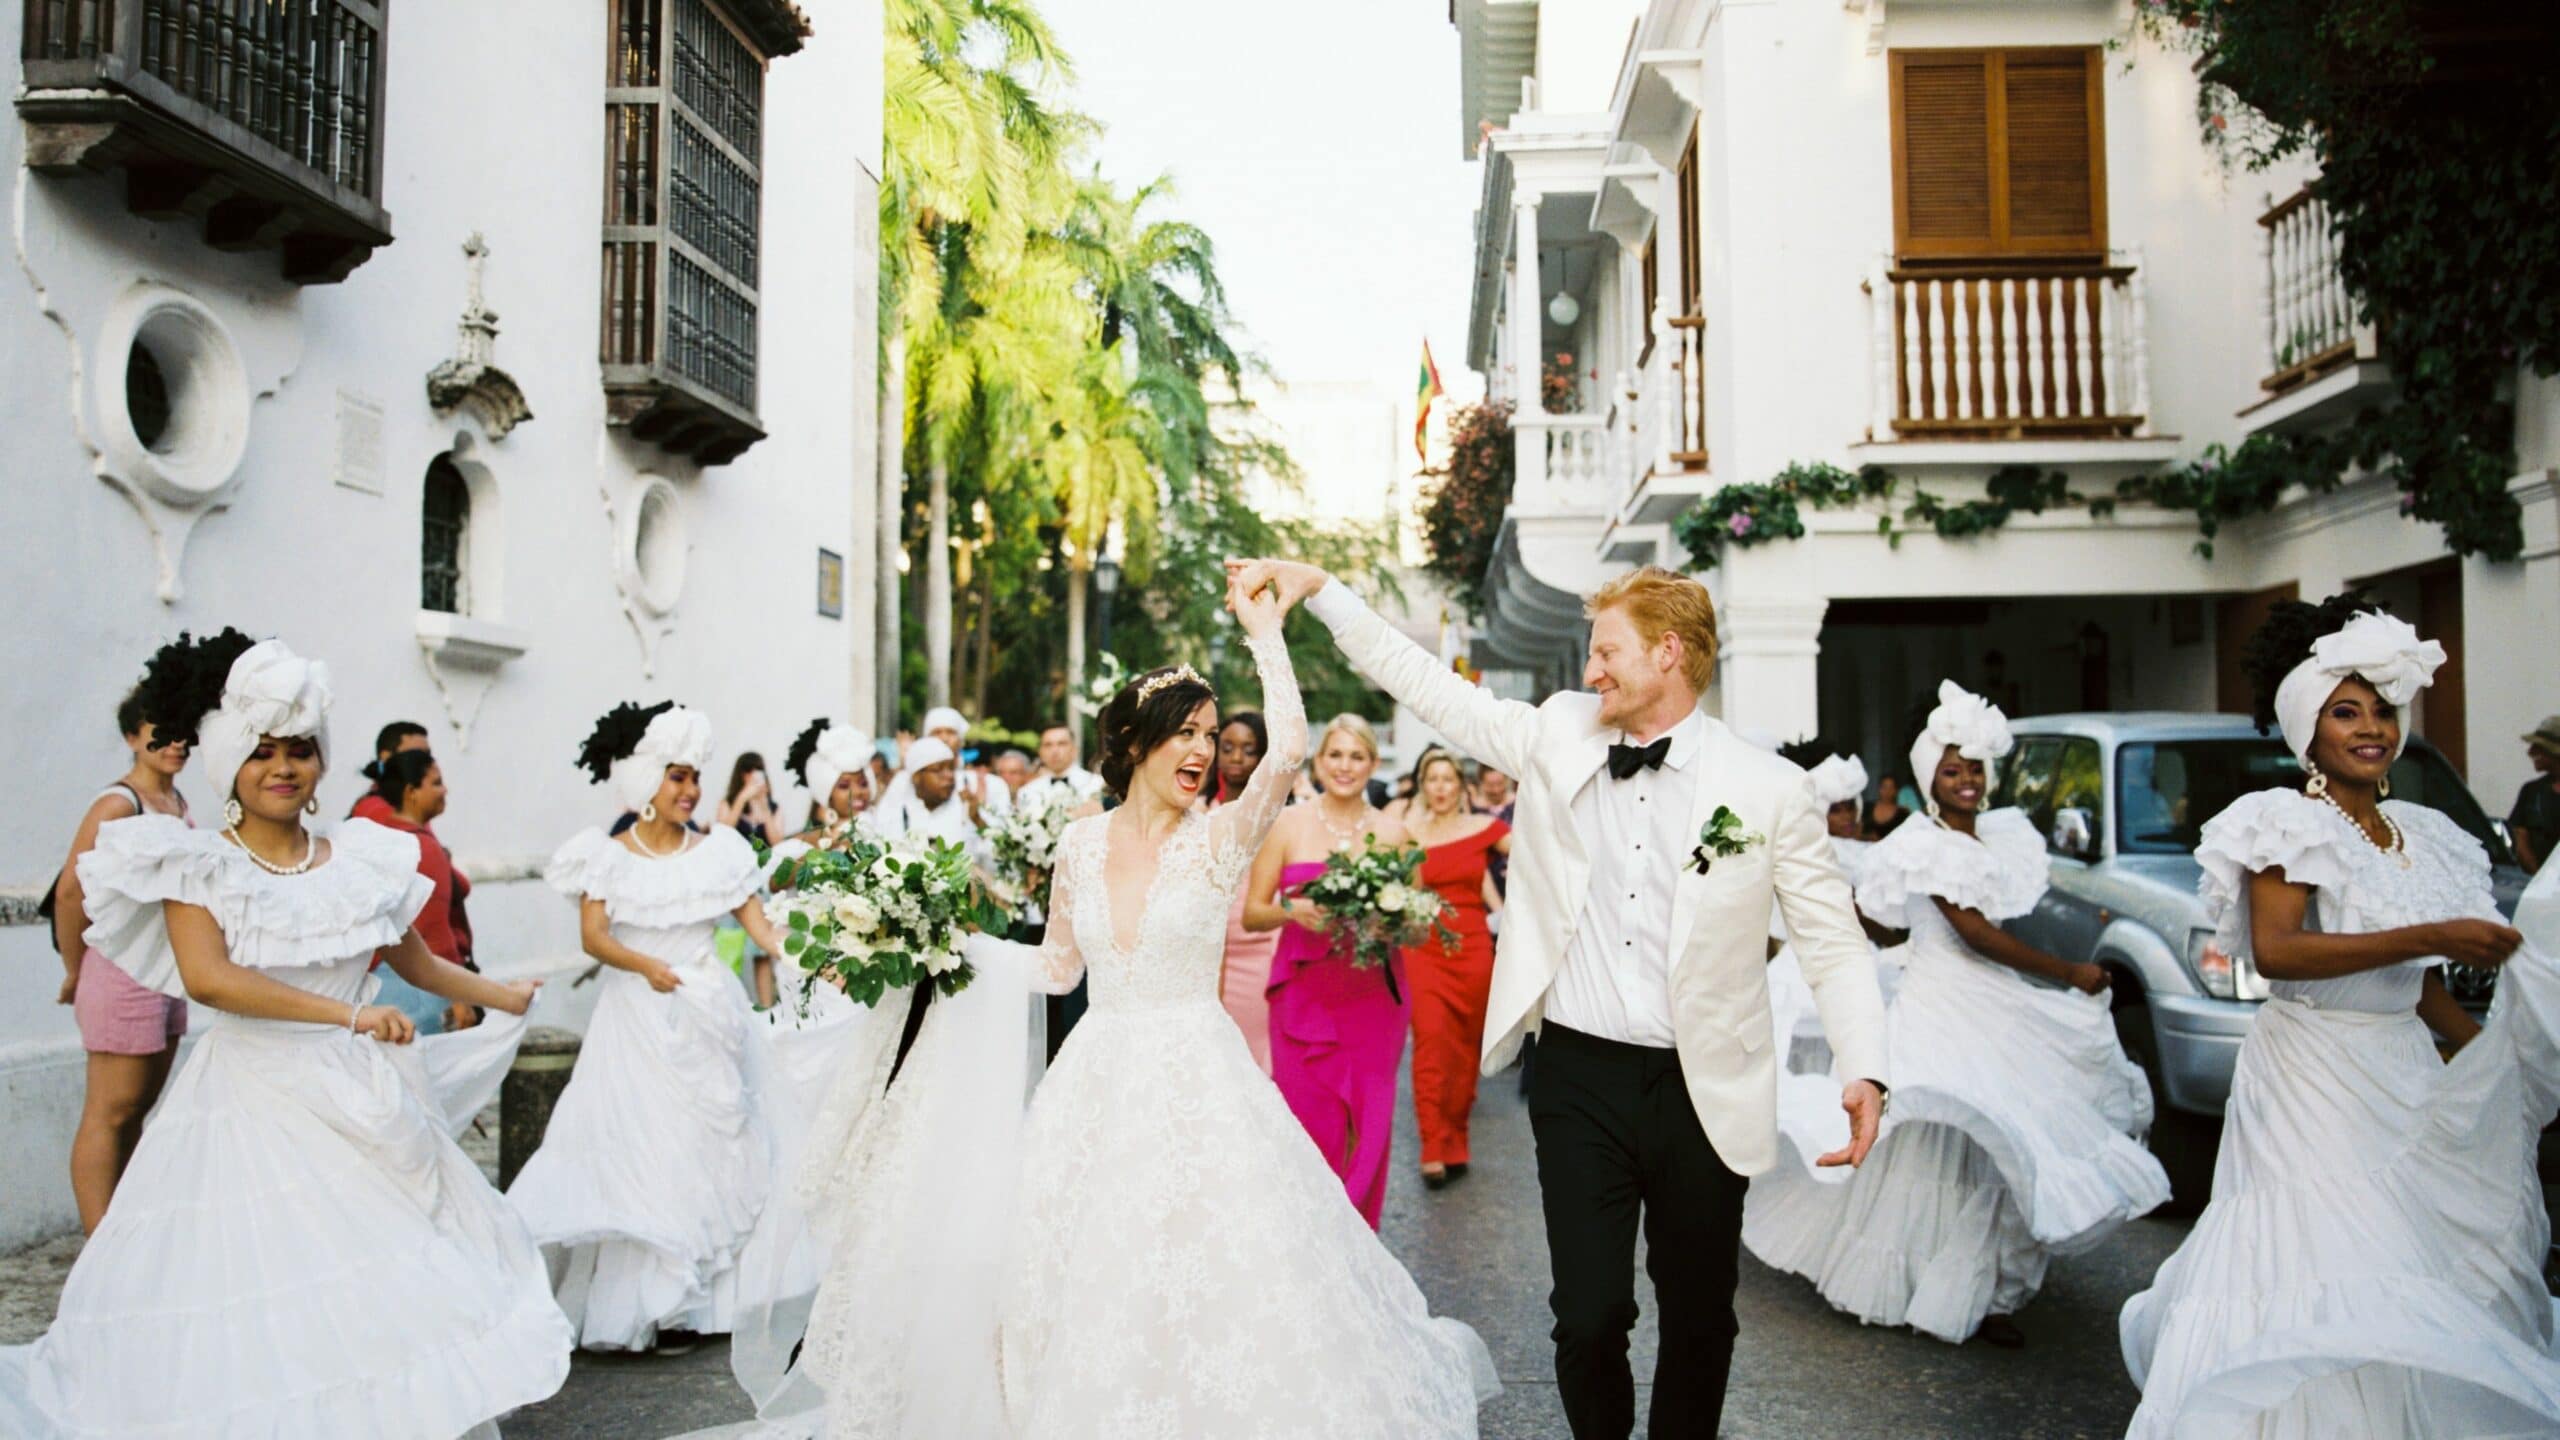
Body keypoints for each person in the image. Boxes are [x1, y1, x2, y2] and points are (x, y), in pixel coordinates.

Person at [700, 573, 1494, 1439]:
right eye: (1183, 733)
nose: (1201, 749)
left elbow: (1289, 747)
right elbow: (1054, 969)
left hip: (1200, 1079)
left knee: (1209, 1260)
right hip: (1095, 1084)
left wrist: (1266, 630)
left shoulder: (1223, 839)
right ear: (1135, 743)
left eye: (1207, 733)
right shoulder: (1078, 844)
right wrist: (938, 944)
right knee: (1081, 1263)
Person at [1232, 556, 1888, 1440]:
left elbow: (1831, 939)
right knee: (1587, 1315)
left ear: (1668, 653)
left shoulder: (1769, 790)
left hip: (1707, 1087)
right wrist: (1325, 593)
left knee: (1700, 1316)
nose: (1590, 672)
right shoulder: (1557, 733)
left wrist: (1864, 1065)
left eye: (1606, 652)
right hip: (1579, 1076)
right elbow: (1431, 688)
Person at [0, 632, 562, 1439]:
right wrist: (348, 1014)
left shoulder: (359, 858)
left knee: (380, 1283)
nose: (283, 768)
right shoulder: (197, 865)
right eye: (262, 752)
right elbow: (211, 979)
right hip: (254, 1102)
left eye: (299, 750)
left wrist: (502, 993)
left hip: (365, 1099)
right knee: (269, 1291)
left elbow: (419, 960)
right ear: (230, 762)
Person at [2121, 599, 2560, 1437]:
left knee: (2408, 1252)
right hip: (2310, 1074)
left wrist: (2487, 1055)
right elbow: (2277, 953)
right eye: (2345, 712)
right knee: (2329, 1253)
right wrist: (2434, 933)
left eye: (2383, 711)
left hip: (2401, 1071)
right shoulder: (2284, 821)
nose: (2372, 729)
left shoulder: (2423, 833)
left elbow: (2418, 984)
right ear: (2307, 730)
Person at [1743, 684, 2167, 1347]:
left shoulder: (1991, 835)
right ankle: (1936, 1284)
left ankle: (1982, 1287)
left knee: (1993, 1142)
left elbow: (1917, 930)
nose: (1966, 780)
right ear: (1926, 779)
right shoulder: (1927, 845)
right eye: (1951, 770)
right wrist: (2067, 972)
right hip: (1946, 1003)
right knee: (1957, 1131)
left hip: (1982, 999)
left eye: (1973, 767)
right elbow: (1975, 934)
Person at [507, 699, 805, 1353]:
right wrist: (646, 966)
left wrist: (821, 951)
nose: (690, 789)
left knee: (709, 1147)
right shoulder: (606, 856)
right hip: (636, 1020)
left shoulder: (721, 851)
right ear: (646, 780)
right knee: (642, 1148)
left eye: (695, 776)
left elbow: (761, 930)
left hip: (706, 1017)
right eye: (677, 776)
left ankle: (700, 1302)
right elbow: (594, 936)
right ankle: (651, 1300)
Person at [1244, 711, 1414, 1227]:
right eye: (1335, 754)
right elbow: (1254, 912)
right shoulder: (1288, 824)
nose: (1345, 766)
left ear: (1372, 763)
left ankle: (1359, 1256)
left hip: (1373, 1001)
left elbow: (1419, 926)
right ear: (1319, 762)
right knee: (1308, 1128)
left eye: (1357, 756)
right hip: (1303, 999)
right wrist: (1293, 910)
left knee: (1369, 1130)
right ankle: (1308, 1249)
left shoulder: (1395, 833)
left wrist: (1391, 925)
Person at [47, 675, 193, 1234]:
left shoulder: (175, 801)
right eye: (161, 734)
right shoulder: (118, 804)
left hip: (164, 972)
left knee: (136, 1111)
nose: (175, 744)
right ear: (133, 736)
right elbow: (69, 890)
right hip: (119, 972)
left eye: (182, 735)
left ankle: (122, 1234)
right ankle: (98, 1244)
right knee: (109, 1112)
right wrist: (73, 967)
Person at [1401, 749, 1512, 1189]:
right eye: (1433, 779)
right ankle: (1431, 1146)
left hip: (1472, 951)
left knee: (1466, 1051)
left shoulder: (1484, 829)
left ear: (1461, 786)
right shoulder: (1406, 833)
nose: (1441, 787)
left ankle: (1456, 1138)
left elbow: (1539, 859)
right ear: (1424, 786)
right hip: (1423, 949)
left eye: (1449, 779)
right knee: (1430, 1044)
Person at [1212, 710, 1281, 1070]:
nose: (1236, 758)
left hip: (1258, 950)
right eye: (1227, 747)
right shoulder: (1198, 812)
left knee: (1252, 1060)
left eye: (1248, 750)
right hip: (1208, 949)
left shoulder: (1273, 816)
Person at [2509, 714, 2560, 873]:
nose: (2530, 752)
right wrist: (2538, 879)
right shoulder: (2532, 791)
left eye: (2539, 748)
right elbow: (2519, 836)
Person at [1017, 723, 1105, 814]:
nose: (1054, 751)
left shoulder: (1097, 784)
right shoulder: (1027, 792)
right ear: (1040, 752)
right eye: (1048, 745)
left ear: (1075, 750)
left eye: (1061, 744)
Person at [717, 751, 788, 849]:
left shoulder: (775, 807)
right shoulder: (727, 803)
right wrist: (741, 799)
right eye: (748, 770)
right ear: (740, 775)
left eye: (758, 770)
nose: (753, 775)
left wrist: (765, 807)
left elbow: (778, 844)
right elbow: (721, 835)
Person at [1865, 772, 1911, 839]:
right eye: (1884, 787)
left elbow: (1906, 837)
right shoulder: (1867, 807)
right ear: (1879, 788)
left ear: (1896, 791)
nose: (1887, 791)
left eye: (1891, 788)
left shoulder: (1902, 813)